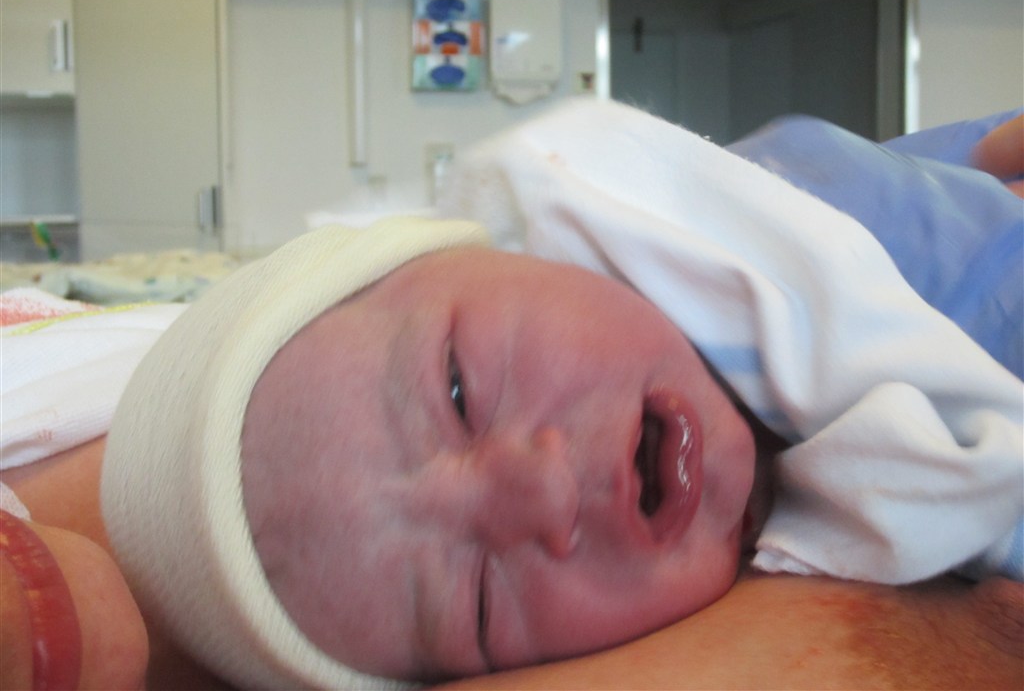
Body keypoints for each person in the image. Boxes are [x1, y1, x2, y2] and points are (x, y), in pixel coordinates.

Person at [2, 103, 1022, 689]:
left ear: (500, 257)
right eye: (479, 605)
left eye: (457, 390)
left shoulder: (772, 212)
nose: (534, 490)